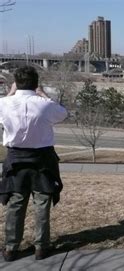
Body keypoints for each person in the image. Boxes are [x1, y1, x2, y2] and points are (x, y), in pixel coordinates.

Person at [0, 66, 68, 262]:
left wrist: (10, 94)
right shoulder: (45, 105)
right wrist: (44, 95)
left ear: (16, 82)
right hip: (42, 160)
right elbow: (63, 113)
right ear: (36, 83)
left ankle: (11, 248)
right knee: (42, 204)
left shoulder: (4, 103)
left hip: (16, 159)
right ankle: (41, 247)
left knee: (15, 204)